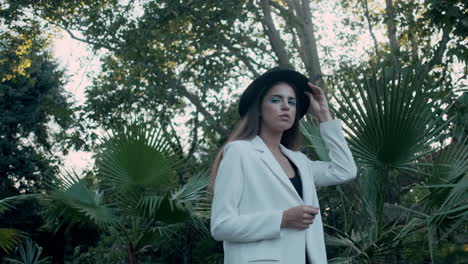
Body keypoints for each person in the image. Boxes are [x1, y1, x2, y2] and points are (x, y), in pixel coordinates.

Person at [209, 67, 357, 264]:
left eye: (292, 102)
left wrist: (324, 116)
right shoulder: (239, 152)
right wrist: (282, 219)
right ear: (259, 109)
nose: (286, 106)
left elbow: (345, 170)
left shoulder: (299, 161)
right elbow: (221, 226)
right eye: (276, 100)